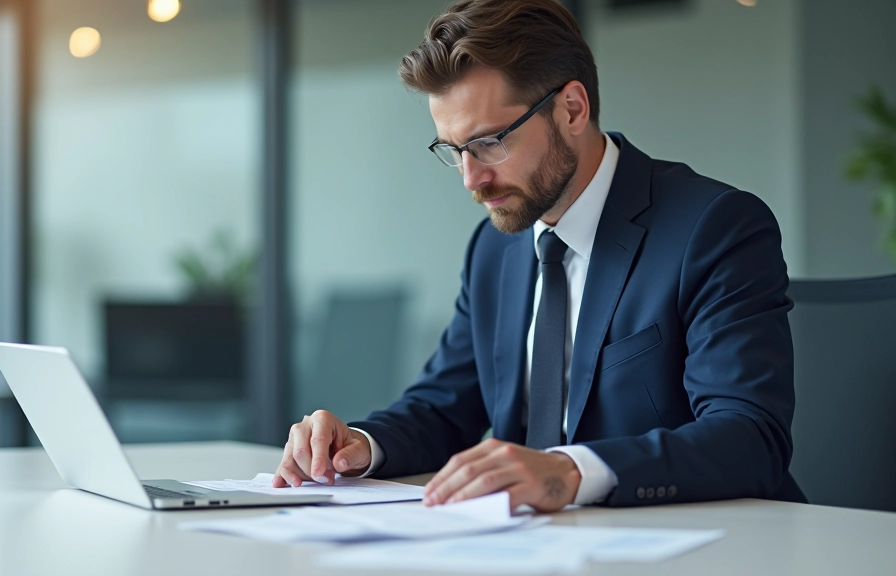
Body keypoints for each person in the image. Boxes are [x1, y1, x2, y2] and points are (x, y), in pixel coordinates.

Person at [272, 0, 806, 511]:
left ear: (572, 108)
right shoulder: (494, 249)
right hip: (535, 545)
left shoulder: (714, 227)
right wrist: (360, 444)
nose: (471, 180)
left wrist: (569, 472)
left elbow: (748, 437)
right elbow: (442, 409)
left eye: (490, 142)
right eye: (455, 151)